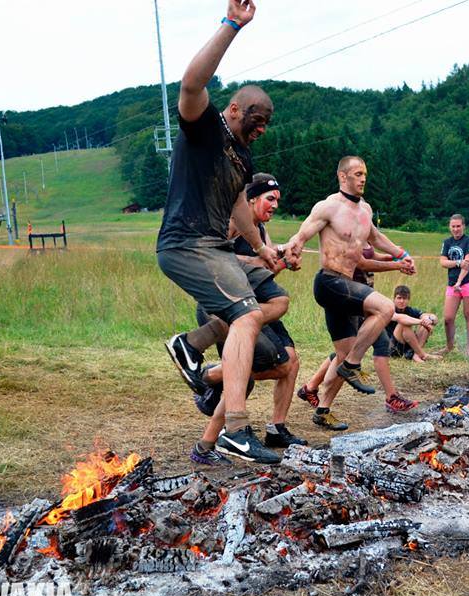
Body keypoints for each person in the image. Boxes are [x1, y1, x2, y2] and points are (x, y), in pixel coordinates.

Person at [156, 0, 281, 466]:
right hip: (184, 242)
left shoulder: (244, 159)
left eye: (266, 125)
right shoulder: (204, 128)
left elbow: (237, 207)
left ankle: (189, 345)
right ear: (233, 109)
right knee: (248, 318)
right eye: (254, 121)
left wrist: (262, 250)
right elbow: (191, 83)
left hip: (213, 246)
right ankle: (234, 430)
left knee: (248, 316)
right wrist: (232, 25)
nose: (261, 130)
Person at [283, 156, 415, 429]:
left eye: (365, 173)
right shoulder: (328, 206)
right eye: (357, 174)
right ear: (343, 176)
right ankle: (352, 364)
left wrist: (402, 254)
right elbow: (303, 232)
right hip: (329, 282)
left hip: (347, 286)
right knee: (386, 308)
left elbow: (376, 238)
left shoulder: (365, 209)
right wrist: (293, 248)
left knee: (343, 354)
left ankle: (323, 410)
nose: (363, 178)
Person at [190, 307, 305, 465]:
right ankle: (206, 378)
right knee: (253, 370)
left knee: (291, 361)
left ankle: (276, 430)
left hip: (262, 306)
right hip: (235, 307)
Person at [438, 214, 469, 355]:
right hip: (451, 283)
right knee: (448, 318)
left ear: (463, 226)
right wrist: (457, 262)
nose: (456, 229)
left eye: (458, 226)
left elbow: (468, 262)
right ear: (450, 227)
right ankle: (449, 346)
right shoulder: (447, 242)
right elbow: (443, 262)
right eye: (453, 226)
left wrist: (460, 281)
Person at [388, 285, 439, 363]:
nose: (402, 301)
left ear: (408, 300)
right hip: (392, 347)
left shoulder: (410, 310)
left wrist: (429, 319)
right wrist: (421, 322)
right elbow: (401, 318)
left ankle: (416, 354)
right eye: (399, 298)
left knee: (427, 323)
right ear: (394, 299)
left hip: (406, 345)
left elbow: (433, 318)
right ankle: (422, 354)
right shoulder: (389, 309)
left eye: (404, 298)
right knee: (403, 324)